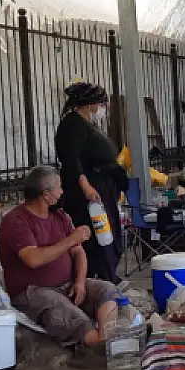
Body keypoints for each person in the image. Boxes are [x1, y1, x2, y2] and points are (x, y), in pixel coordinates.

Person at [0, 166, 119, 350]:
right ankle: (99, 346)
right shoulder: (17, 221)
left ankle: (106, 339)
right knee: (71, 318)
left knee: (107, 290)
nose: (62, 192)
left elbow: (78, 252)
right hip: (34, 292)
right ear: (46, 194)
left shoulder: (61, 216)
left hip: (67, 285)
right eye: (59, 187)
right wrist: (71, 239)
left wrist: (79, 282)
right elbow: (33, 259)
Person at [54, 81, 124, 283]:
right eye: (101, 103)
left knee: (106, 233)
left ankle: (108, 274)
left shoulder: (85, 123)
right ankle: (99, 276)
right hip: (88, 188)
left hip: (102, 184)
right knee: (96, 235)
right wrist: (85, 186)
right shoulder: (72, 124)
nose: (103, 108)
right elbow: (71, 159)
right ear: (90, 103)